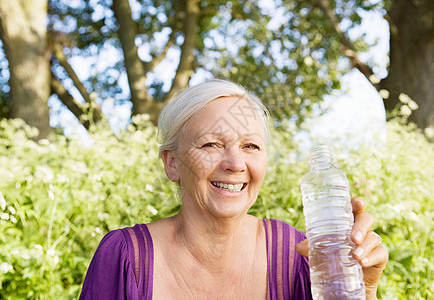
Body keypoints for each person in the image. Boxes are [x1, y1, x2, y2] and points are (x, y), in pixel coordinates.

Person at [80, 79, 388, 299]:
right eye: (211, 144)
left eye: (251, 145)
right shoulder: (124, 259)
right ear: (172, 163)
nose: (235, 163)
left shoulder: (299, 258)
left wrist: (366, 291)